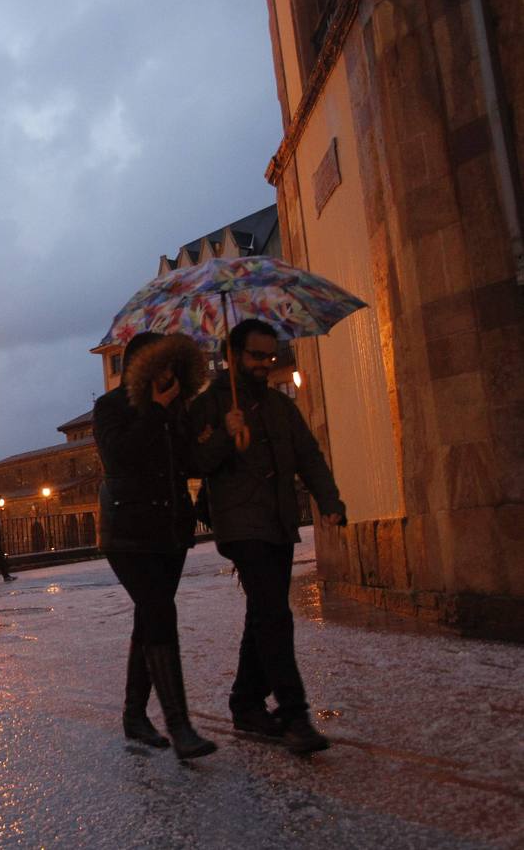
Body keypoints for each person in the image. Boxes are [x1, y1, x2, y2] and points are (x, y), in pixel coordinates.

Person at [190, 318, 345, 754]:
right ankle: (294, 714)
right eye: (257, 355)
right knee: (275, 615)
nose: (265, 363)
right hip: (241, 524)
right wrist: (225, 433)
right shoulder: (210, 405)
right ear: (235, 355)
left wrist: (330, 502)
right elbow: (193, 460)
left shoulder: (280, 407)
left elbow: (308, 456)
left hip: (278, 522)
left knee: (263, 613)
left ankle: (245, 702)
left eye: (270, 355)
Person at [94, 331, 216, 759]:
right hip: (127, 534)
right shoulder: (111, 408)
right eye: (157, 364)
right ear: (140, 366)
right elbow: (120, 456)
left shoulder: (176, 411)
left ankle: (134, 716)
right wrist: (157, 413)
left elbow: (191, 465)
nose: (165, 373)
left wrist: (214, 438)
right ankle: (179, 726)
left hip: (170, 531)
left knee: (150, 618)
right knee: (160, 613)